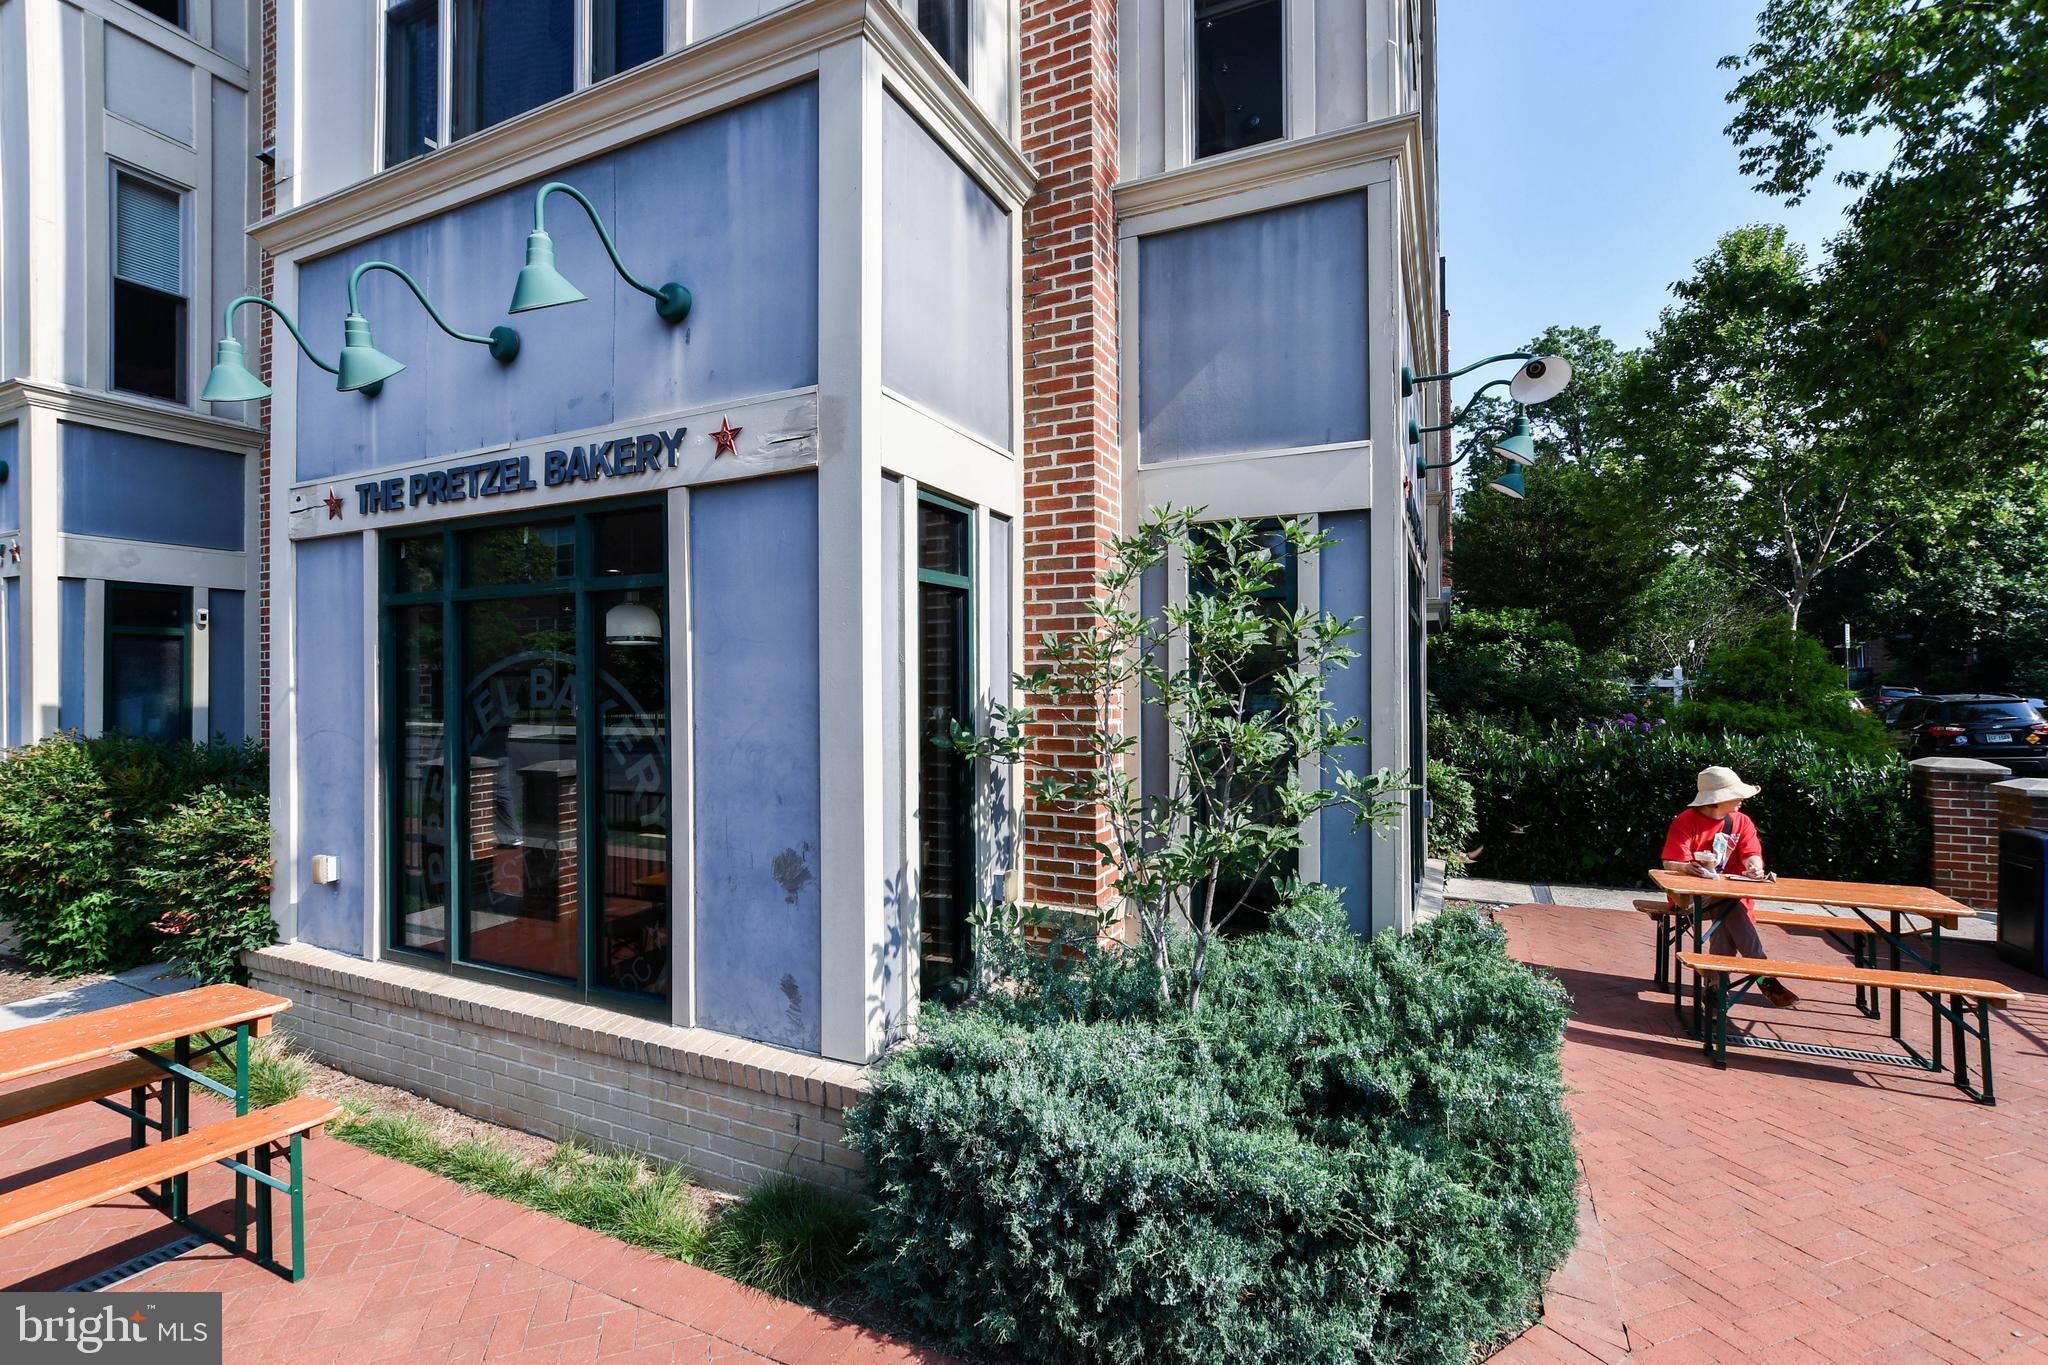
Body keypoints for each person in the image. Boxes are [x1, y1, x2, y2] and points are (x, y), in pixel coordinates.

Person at [1662, 766, 1799, 1008]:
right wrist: (1685, 868)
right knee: (1731, 907)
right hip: (1692, 899)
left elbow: (1752, 853)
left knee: (1729, 910)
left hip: (1729, 898)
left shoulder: (1742, 821)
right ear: (1719, 800)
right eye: (1736, 795)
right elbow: (1669, 863)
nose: (1742, 800)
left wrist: (1754, 867)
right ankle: (1763, 975)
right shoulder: (1685, 822)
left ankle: (1715, 989)